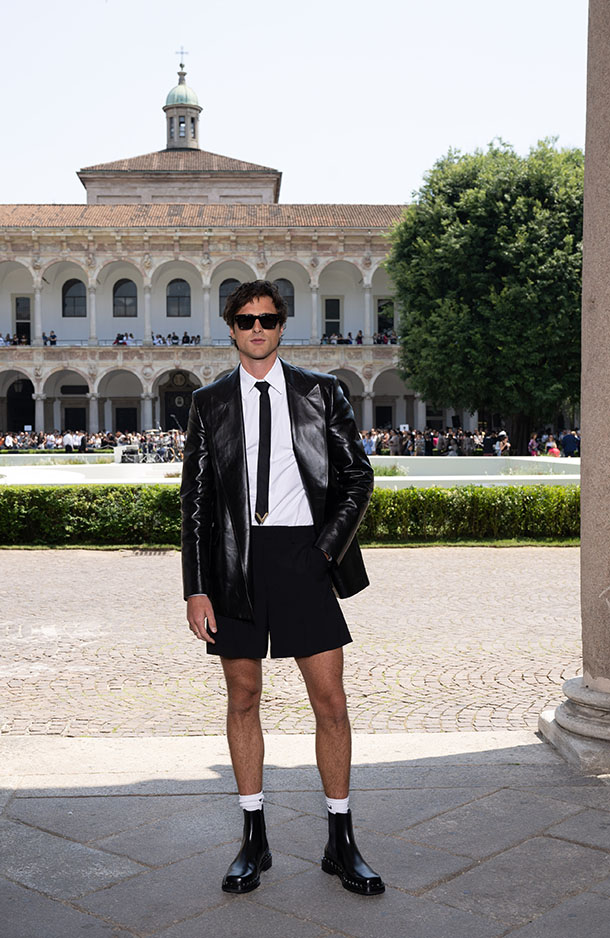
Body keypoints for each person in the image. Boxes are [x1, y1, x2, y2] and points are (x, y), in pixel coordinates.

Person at [181, 280, 384, 897]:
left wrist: (326, 549)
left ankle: (340, 839)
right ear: (231, 328)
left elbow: (357, 475)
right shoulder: (209, 401)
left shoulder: (322, 393)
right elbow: (194, 500)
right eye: (245, 320)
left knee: (331, 702)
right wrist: (196, 587)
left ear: (282, 325)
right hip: (235, 561)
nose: (257, 328)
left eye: (267, 318)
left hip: (305, 556)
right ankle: (254, 837)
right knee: (243, 698)